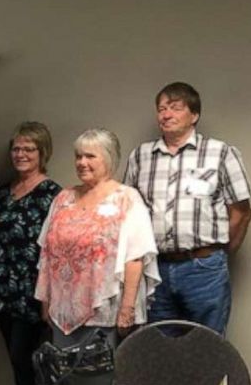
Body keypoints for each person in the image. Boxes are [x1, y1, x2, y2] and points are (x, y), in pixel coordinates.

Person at [124, 82, 251, 335]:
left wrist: (219, 253)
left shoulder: (220, 153)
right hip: (156, 270)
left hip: (204, 269)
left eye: (175, 107)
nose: (166, 114)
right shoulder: (141, 156)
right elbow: (129, 214)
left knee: (208, 348)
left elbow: (241, 211)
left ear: (194, 115)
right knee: (161, 350)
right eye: (161, 109)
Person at [36, 129, 160, 348]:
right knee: (65, 376)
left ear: (109, 158)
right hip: (63, 311)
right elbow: (47, 253)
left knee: (102, 378)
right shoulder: (63, 199)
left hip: (107, 311)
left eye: (90, 156)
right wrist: (46, 300)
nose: (82, 162)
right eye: (78, 156)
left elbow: (136, 257)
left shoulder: (127, 199)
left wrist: (127, 309)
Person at [0, 122, 61, 385]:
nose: (21, 154)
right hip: (2, 290)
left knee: (28, 359)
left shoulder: (53, 195)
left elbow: (55, 250)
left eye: (29, 149)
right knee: (16, 362)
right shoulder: (2, 193)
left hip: (33, 293)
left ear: (43, 153)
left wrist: (48, 295)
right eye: (16, 148)